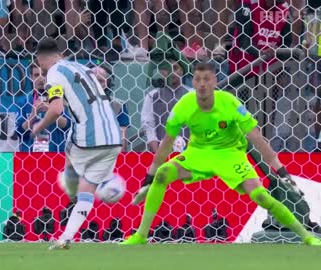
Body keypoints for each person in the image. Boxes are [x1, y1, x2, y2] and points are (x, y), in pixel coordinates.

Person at [121, 62, 321, 246]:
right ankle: (141, 235)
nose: (201, 84)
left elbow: (257, 138)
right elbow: (166, 145)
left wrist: (282, 171)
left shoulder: (230, 103)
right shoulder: (183, 105)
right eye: (197, 79)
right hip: (198, 154)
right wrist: (148, 179)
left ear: (215, 81)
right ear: (193, 81)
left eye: (207, 79)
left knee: (261, 196)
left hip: (230, 154)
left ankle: (306, 236)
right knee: (164, 173)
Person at [33, 37, 122, 250]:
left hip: (88, 137)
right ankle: (66, 237)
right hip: (113, 137)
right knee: (88, 188)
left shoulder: (54, 72)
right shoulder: (81, 67)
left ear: (41, 59)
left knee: (71, 156)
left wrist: (38, 126)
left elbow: (56, 111)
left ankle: (70, 187)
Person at [17, 63, 71, 152]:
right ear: (31, 77)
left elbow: (69, 127)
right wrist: (32, 116)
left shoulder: (61, 100)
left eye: (44, 74)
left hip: (57, 155)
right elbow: (19, 133)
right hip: (30, 156)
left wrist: (52, 112)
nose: (41, 79)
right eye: (36, 75)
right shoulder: (23, 102)